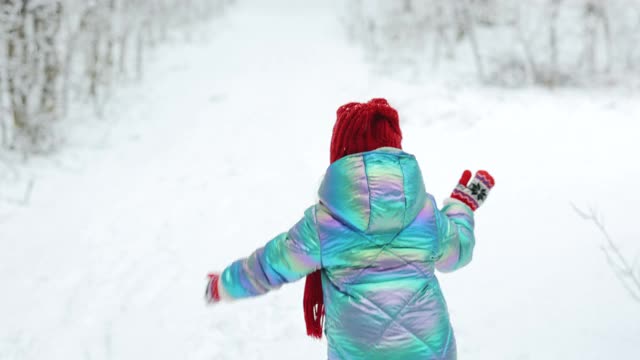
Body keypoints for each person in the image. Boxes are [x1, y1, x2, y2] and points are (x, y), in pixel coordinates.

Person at [205, 98, 495, 359]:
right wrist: (461, 207)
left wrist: (224, 284)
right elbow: (459, 251)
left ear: (341, 152)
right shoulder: (425, 213)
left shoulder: (325, 223)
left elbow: (270, 266)